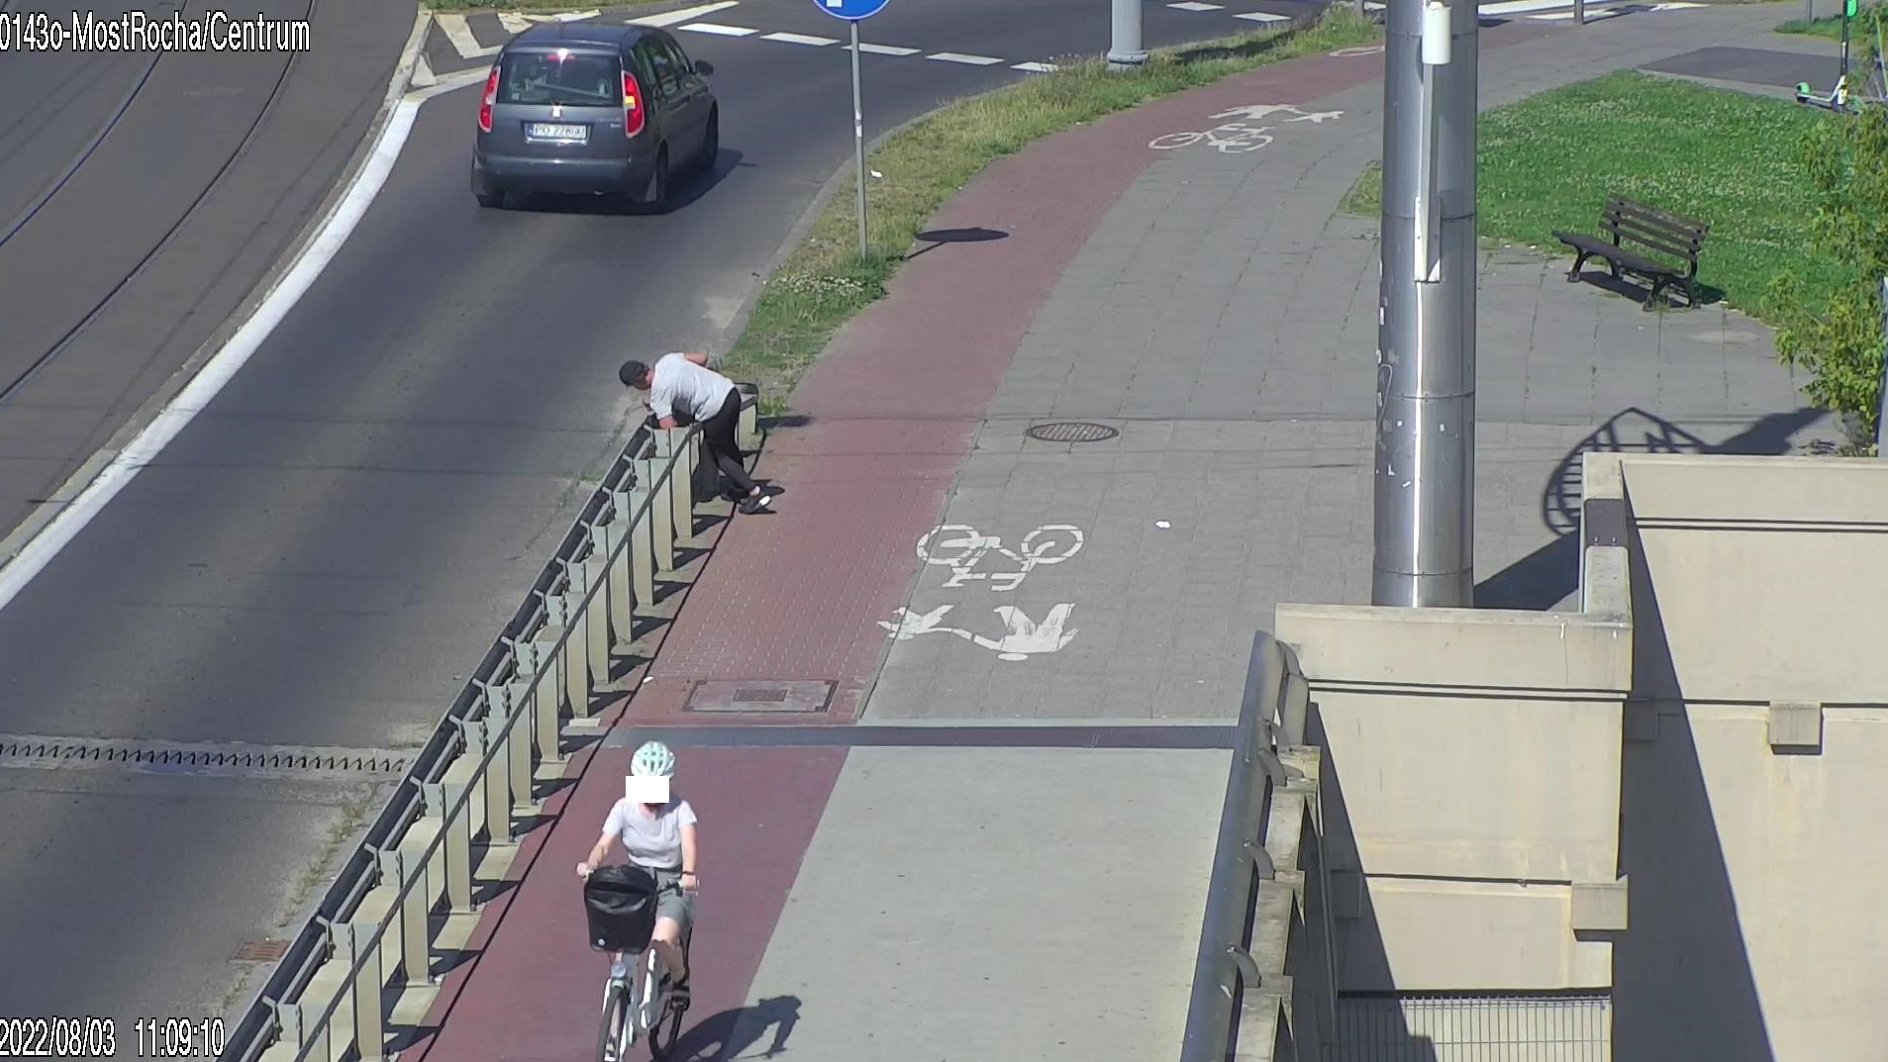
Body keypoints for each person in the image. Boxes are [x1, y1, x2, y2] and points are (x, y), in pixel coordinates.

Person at [577, 740, 699, 997]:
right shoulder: (624, 808)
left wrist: (688, 874)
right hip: (636, 880)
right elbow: (604, 844)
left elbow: (688, 846)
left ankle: (680, 977)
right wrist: (591, 864)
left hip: (672, 882)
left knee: (661, 942)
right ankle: (617, 1015)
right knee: (622, 944)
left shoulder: (680, 810)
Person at [620, 353, 783, 515]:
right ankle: (740, 489)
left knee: (719, 455)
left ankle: (755, 492)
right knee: (728, 444)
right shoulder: (667, 360)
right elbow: (702, 358)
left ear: (637, 383)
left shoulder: (659, 394)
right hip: (730, 393)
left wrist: (660, 412)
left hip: (715, 412)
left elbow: (669, 429)